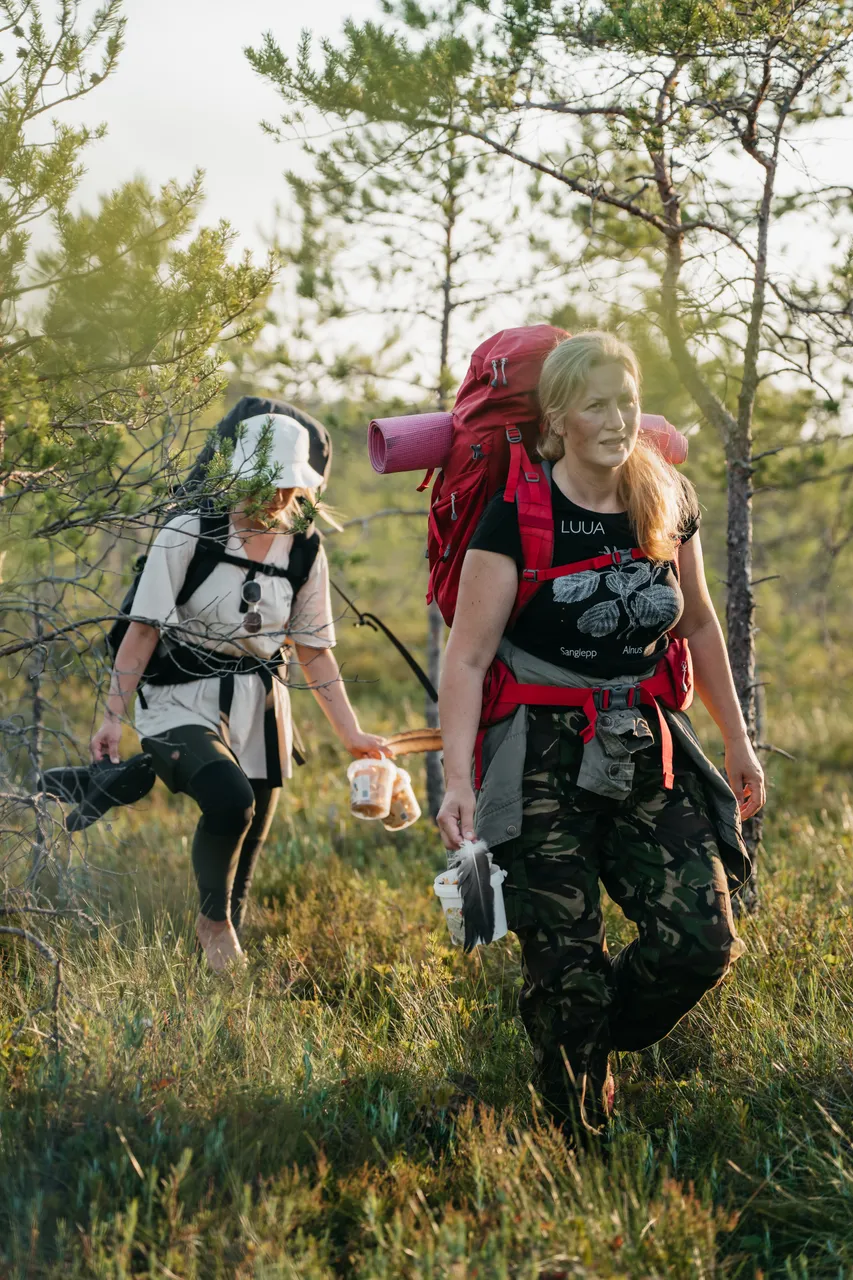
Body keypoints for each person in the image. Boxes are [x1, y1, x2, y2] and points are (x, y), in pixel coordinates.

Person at [436, 331, 764, 1140]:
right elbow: (466, 659)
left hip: (644, 740)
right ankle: (577, 1146)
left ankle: (579, 1037)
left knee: (701, 939)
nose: (617, 419)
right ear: (559, 417)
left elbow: (698, 625)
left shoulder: (665, 497)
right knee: (566, 968)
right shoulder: (515, 516)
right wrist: (455, 782)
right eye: (596, 404)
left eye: (626, 400)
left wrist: (736, 740)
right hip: (536, 750)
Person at [90, 413, 387, 972]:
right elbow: (143, 628)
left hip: (260, 704)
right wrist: (111, 715)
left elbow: (314, 648)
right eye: (263, 482)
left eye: (285, 485)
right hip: (181, 694)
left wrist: (351, 733)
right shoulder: (188, 531)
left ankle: (217, 975)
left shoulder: (303, 549)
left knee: (243, 858)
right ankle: (211, 924)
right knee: (231, 802)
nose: (273, 498)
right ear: (239, 475)